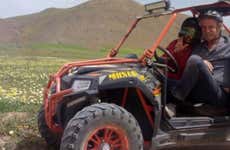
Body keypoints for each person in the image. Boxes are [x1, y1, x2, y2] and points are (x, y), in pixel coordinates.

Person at [171, 10, 230, 107]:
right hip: (198, 89)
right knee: (163, 82)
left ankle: (175, 102)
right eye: (203, 27)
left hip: (219, 94)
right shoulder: (199, 47)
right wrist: (201, 62)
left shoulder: (228, 45)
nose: (206, 31)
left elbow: (194, 61)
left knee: (195, 60)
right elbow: (189, 70)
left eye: (211, 27)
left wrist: (198, 62)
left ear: (220, 27)